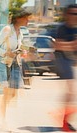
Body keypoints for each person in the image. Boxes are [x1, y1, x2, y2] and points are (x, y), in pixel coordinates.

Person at [0, 8, 31, 129]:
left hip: (13, 65)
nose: (28, 20)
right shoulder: (8, 29)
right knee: (5, 92)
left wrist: (22, 51)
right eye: (26, 18)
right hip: (2, 64)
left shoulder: (20, 33)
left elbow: (17, 48)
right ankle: (2, 120)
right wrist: (6, 53)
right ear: (18, 18)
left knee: (12, 94)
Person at [54, 4, 77, 132]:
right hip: (63, 60)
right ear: (67, 15)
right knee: (71, 91)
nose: (75, 17)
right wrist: (72, 44)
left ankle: (65, 118)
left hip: (72, 61)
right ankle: (65, 120)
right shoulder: (62, 28)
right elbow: (58, 45)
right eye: (73, 13)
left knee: (71, 93)